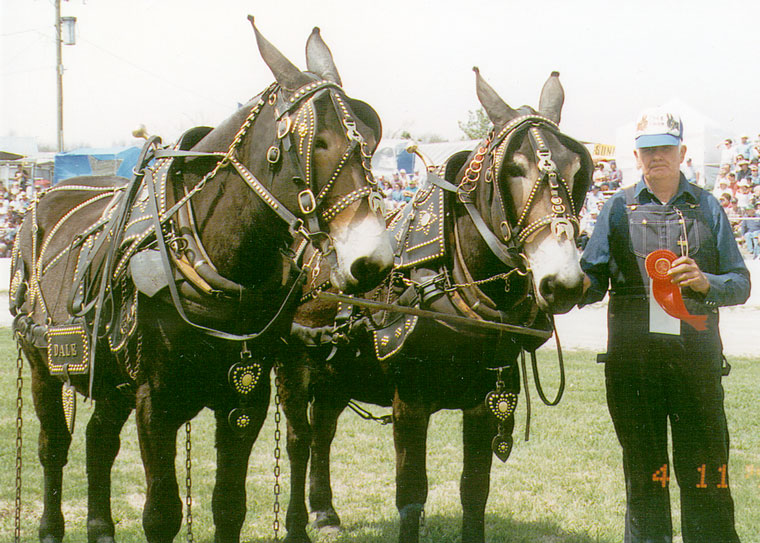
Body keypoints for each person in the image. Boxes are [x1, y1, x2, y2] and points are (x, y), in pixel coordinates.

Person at [580, 107, 749, 543]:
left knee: (707, 473)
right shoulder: (615, 208)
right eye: (647, 149)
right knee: (645, 478)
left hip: (696, 367)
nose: (657, 157)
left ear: (683, 152)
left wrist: (705, 281)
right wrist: (560, 281)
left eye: (665, 148)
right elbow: (592, 280)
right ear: (636, 156)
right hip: (634, 370)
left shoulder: (708, 206)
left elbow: (740, 283)